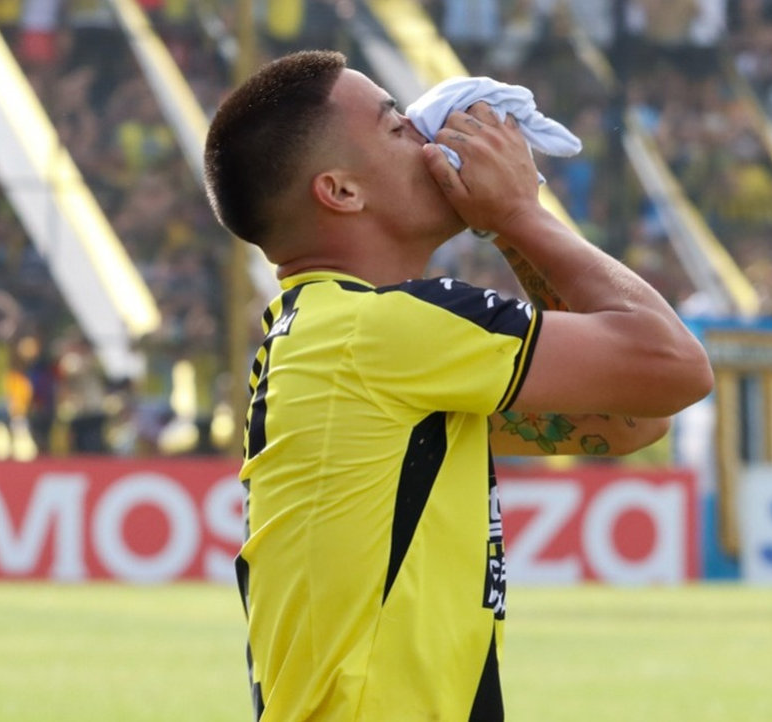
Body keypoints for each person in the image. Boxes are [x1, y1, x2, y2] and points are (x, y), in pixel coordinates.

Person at [203, 50, 713, 721]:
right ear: (342, 192)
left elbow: (628, 417)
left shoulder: (332, 336)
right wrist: (519, 216)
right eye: (396, 127)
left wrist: (509, 227)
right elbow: (676, 367)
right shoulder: (381, 329)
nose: (428, 135)